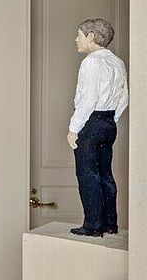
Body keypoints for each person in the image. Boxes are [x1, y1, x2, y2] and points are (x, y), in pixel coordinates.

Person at [66, 18, 128, 236]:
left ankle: (93, 226)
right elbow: (124, 98)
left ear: (91, 37)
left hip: (91, 123)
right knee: (105, 174)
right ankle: (110, 224)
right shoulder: (118, 62)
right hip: (109, 122)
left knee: (87, 174)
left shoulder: (91, 62)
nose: (76, 39)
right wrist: (111, 119)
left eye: (79, 35)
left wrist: (74, 128)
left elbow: (88, 99)